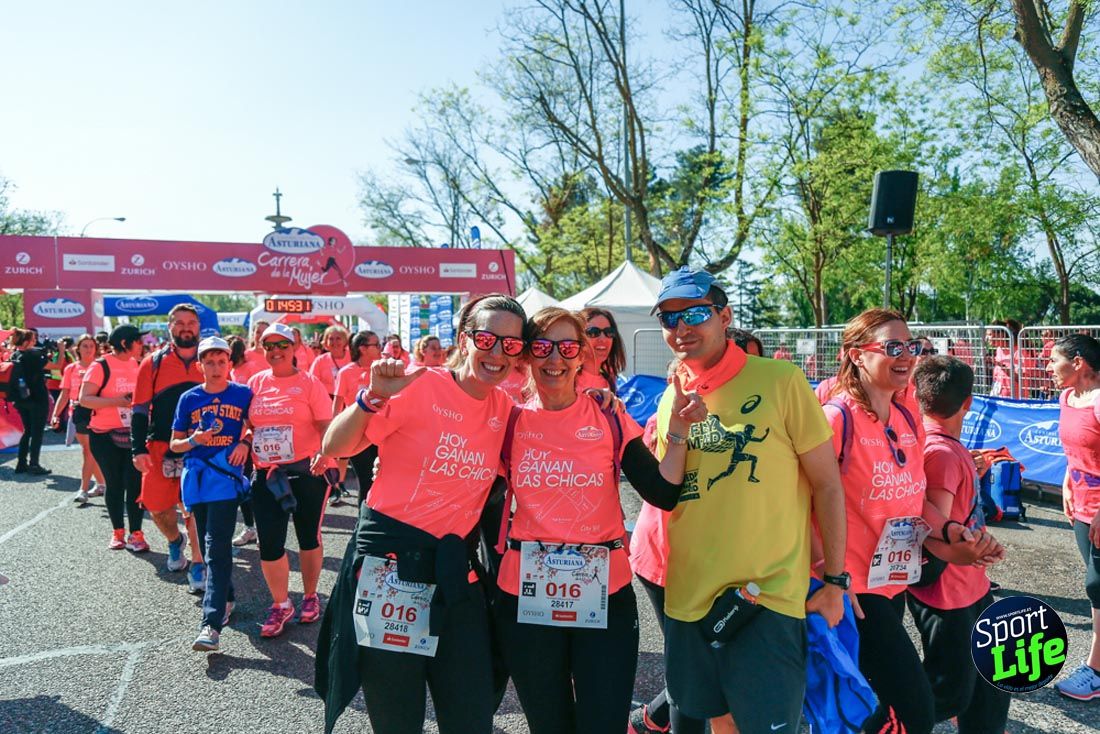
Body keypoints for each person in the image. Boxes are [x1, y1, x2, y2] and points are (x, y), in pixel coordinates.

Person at [316, 294, 527, 734]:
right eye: (487, 338)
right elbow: (334, 447)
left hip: (455, 573)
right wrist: (371, 397)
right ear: (464, 339)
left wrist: (598, 400)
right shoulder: (419, 384)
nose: (497, 352)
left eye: (511, 344)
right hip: (390, 568)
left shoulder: (504, 409)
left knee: (471, 713)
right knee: (397, 716)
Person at [649, 268, 847, 734]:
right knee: (718, 723)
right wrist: (678, 429)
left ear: (724, 316)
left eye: (695, 313)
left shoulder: (780, 379)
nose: (681, 328)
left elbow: (827, 485)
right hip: (689, 599)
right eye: (668, 317)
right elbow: (668, 495)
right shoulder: (669, 397)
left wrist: (836, 580)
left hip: (767, 599)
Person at [494, 306, 706, 734]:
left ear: (582, 357)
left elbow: (662, 492)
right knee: (549, 725)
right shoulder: (508, 420)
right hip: (527, 594)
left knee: (602, 724)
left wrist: (680, 431)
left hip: (605, 593)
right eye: (543, 347)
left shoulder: (607, 415)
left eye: (568, 347)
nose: (555, 359)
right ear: (527, 357)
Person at [823, 309, 998, 734]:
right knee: (916, 708)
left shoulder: (906, 418)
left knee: (865, 701)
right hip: (853, 591)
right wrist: (832, 579)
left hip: (892, 580)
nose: (906, 356)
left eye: (912, 346)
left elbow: (915, 496)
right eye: (892, 347)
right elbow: (798, 504)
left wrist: (950, 530)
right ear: (855, 355)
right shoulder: (836, 418)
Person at [906, 355, 1010, 731]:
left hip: (968, 587)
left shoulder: (943, 447)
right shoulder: (943, 453)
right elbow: (933, 522)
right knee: (948, 692)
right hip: (949, 592)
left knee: (993, 684)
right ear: (968, 402)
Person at [247, 322, 335, 638]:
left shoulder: (310, 384)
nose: (275, 351)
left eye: (282, 345)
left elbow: (328, 425)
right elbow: (248, 426)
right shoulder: (255, 383)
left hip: (307, 472)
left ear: (294, 348)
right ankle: (281, 603)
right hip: (268, 475)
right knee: (269, 543)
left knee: (307, 536)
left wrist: (325, 454)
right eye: (269, 346)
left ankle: (310, 596)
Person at [170, 337, 253, 652]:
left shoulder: (243, 394)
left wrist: (244, 443)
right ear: (199, 365)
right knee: (207, 545)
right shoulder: (188, 398)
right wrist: (194, 438)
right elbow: (174, 444)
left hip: (224, 480)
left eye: (221, 361)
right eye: (209, 362)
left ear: (230, 363)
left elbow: (255, 425)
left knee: (216, 549)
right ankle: (227, 598)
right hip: (196, 479)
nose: (216, 368)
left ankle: (211, 624)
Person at [131, 304, 206, 585]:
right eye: (180, 322)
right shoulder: (153, 362)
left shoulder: (210, 359)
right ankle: (176, 540)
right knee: (157, 507)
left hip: (200, 448)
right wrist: (137, 449)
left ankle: (198, 563)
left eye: (191, 322)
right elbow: (139, 409)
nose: (186, 327)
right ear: (169, 326)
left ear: (199, 327)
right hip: (160, 447)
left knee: (196, 506)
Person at [1050, 334, 1100, 700]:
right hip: (1081, 507)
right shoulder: (1068, 397)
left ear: (1079, 362)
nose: (1048, 367)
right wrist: (1068, 480)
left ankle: (1096, 671)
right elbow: (1077, 449)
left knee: (1096, 587)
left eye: (1054, 360)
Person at [80, 325, 145, 551]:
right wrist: (116, 401)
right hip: (104, 435)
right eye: (138, 341)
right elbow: (84, 399)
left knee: (135, 485)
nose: (142, 345)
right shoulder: (101, 366)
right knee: (114, 484)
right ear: (126, 343)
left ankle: (136, 533)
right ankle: (118, 532)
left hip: (132, 433)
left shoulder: (137, 365)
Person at [52, 334, 105, 501]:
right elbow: (65, 393)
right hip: (77, 413)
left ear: (96, 349)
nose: (88, 349)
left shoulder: (101, 367)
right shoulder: (71, 369)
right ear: (78, 348)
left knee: (90, 451)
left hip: (99, 412)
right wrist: (55, 414)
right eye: (85, 346)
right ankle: (100, 485)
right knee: (89, 451)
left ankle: (84, 489)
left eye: (91, 346)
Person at [332, 331, 383, 505]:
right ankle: (362, 523)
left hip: (382, 432)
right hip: (357, 434)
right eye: (375, 345)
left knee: (381, 479)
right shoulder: (346, 373)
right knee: (366, 479)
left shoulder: (381, 369)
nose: (379, 348)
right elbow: (337, 405)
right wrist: (332, 433)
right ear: (362, 349)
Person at [226, 334, 258, 547]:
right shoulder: (227, 371)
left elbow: (253, 408)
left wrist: (247, 437)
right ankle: (250, 528)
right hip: (226, 439)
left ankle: (255, 528)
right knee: (232, 486)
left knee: (247, 484)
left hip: (245, 438)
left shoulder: (250, 371)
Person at [7, 328, 52, 475]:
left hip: (20, 398)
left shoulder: (15, 354)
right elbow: (55, 365)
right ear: (27, 342)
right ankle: (34, 464)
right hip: (37, 398)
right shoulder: (33, 354)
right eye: (33, 340)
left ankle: (21, 463)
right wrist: (61, 350)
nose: (35, 342)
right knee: (37, 432)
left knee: (27, 431)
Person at [576, 307, 625, 392]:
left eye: (609, 332)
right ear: (578, 337)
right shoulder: (567, 381)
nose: (603, 338)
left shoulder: (610, 381)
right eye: (593, 332)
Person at [309, 324, 352, 397]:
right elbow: (312, 382)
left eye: (338, 338)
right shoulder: (320, 360)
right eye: (331, 339)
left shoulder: (353, 357)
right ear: (326, 342)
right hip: (327, 398)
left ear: (345, 341)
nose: (334, 342)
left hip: (350, 398)